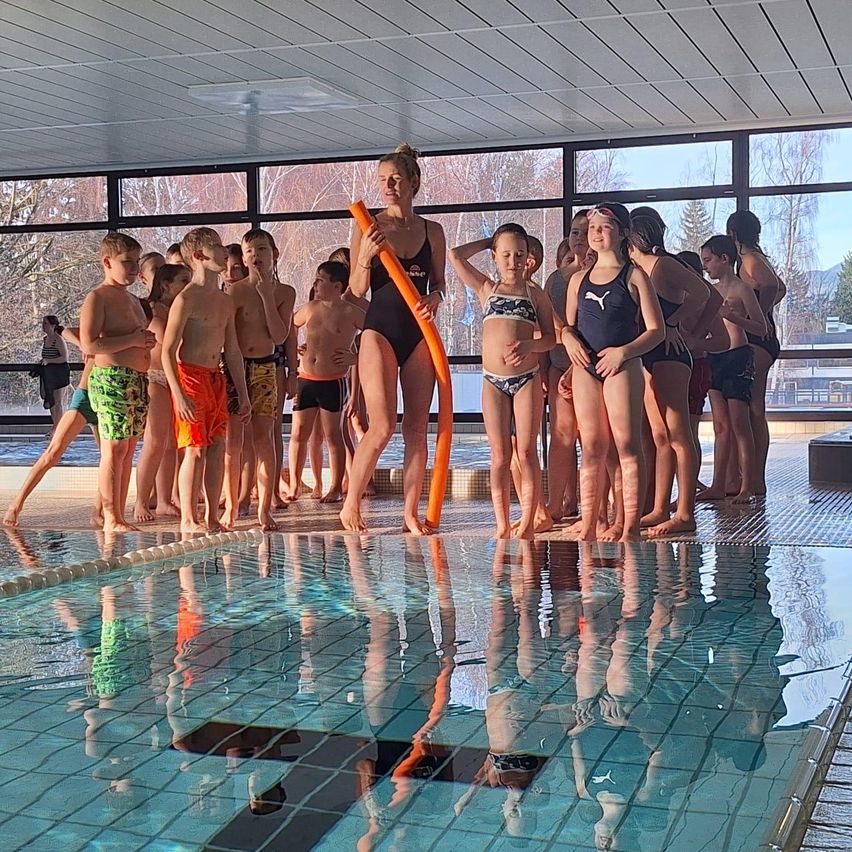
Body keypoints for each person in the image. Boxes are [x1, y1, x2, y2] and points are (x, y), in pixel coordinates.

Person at [339, 144, 447, 535]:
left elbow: (439, 286)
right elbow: (355, 290)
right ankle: (351, 502)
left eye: (396, 179)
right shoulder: (368, 226)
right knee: (382, 425)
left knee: (416, 428)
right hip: (380, 330)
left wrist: (434, 299)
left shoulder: (432, 231)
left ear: (413, 183)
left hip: (419, 333)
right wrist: (366, 254)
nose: (388, 186)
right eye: (383, 179)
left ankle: (410, 513)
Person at [562, 204, 664, 542]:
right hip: (586, 369)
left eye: (605, 227)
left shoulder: (634, 277)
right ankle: (591, 520)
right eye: (593, 227)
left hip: (622, 366)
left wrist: (624, 352)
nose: (596, 233)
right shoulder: (578, 280)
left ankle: (630, 525)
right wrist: (566, 340)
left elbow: (656, 330)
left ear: (621, 233)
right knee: (591, 447)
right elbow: (569, 328)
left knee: (627, 446)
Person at [449, 224, 555, 539]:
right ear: (495, 258)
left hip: (526, 379)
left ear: (529, 260)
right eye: (506, 255)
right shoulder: (487, 289)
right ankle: (501, 522)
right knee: (499, 455)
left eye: (519, 255)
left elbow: (551, 337)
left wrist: (530, 345)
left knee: (525, 451)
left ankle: (527, 520)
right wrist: (490, 240)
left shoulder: (536, 295)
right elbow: (455, 256)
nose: (512, 261)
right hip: (492, 381)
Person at [161, 227, 250, 533]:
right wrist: (178, 394)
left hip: (215, 378)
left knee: (217, 447)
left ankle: (212, 516)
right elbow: (168, 351)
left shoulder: (225, 301)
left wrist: (242, 392)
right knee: (195, 449)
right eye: (216, 246)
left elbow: (233, 351)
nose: (225, 250)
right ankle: (189, 517)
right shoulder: (186, 299)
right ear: (199, 256)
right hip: (190, 377)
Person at [627, 209, 709, 537]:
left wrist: (679, 325)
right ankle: (660, 508)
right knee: (660, 437)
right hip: (646, 355)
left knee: (678, 436)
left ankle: (685, 512)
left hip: (671, 355)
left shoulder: (666, 265)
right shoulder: (634, 270)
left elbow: (707, 295)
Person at [80, 234, 155, 533]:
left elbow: (133, 337)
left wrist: (145, 342)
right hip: (111, 380)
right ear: (107, 263)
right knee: (113, 448)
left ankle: (119, 514)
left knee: (127, 449)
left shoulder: (133, 300)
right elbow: (90, 344)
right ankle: (111, 515)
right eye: (126, 263)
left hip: (136, 380)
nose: (134, 269)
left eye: (136, 262)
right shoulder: (97, 297)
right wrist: (135, 340)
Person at [224, 229, 295, 531]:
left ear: (274, 254)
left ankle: (264, 508)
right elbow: (229, 339)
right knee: (233, 440)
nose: (256, 256)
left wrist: (266, 296)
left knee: (263, 438)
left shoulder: (285, 292)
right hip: (235, 367)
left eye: (262, 250)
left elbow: (279, 336)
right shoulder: (234, 291)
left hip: (266, 366)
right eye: (249, 251)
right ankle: (231, 506)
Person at [4, 327, 103, 528]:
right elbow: (64, 331)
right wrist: (83, 343)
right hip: (86, 397)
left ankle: (97, 511)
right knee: (53, 452)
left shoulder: (129, 333)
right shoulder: (97, 332)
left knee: (109, 461)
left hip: (109, 400)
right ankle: (16, 504)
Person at [286, 261, 364, 503]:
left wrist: (356, 357)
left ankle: (335, 488)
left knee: (333, 435)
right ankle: (295, 485)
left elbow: (377, 338)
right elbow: (290, 326)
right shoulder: (310, 308)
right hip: (306, 379)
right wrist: (294, 349)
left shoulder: (352, 313)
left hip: (333, 382)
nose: (315, 284)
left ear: (337, 286)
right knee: (298, 432)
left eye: (321, 280)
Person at [698, 235, 768, 504]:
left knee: (740, 424)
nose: (706, 267)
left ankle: (746, 486)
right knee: (720, 426)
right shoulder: (711, 292)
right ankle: (719, 484)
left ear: (724, 259)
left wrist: (734, 317)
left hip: (738, 357)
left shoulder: (742, 289)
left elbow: (761, 328)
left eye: (708, 261)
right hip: (715, 357)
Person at [727, 211, 784, 497]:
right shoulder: (759, 258)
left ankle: (750, 478)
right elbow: (779, 287)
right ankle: (753, 479)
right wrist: (766, 314)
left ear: (733, 235)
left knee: (749, 411)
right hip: (763, 339)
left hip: (757, 340)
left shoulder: (749, 260)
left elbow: (773, 287)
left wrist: (759, 316)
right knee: (755, 410)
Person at [133, 264, 190, 523]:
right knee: (155, 441)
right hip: (154, 377)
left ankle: (165, 501)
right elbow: (168, 341)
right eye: (183, 280)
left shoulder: (179, 308)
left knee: (169, 444)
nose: (187, 285)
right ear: (166, 284)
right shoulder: (152, 311)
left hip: (174, 379)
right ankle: (141, 502)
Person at [543, 213, 588, 521]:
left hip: (591, 366)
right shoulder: (556, 279)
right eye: (574, 232)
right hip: (560, 365)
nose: (579, 238)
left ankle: (598, 506)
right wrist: (545, 368)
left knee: (594, 438)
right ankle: (558, 502)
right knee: (561, 436)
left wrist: (577, 366)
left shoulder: (605, 275)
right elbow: (549, 326)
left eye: (586, 232)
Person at [677, 250, 729, 489]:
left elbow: (723, 340)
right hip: (679, 368)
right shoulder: (671, 298)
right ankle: (685, 482)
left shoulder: (703, 304)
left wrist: (696, 342)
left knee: (688, 430)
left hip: (695, 367)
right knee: (676, 432)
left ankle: (689, 483)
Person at [37, 315, 71, 430]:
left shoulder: (58, 339)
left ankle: (58, 429)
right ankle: (55, 425)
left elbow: (64, 358)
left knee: (58, 401)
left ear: (53, 325)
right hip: (48, 373)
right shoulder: (45, 339)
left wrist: (49, 361)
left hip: (59, 372)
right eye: (43, 323)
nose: (43, 326)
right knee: (49, 399)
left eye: (45, 323)